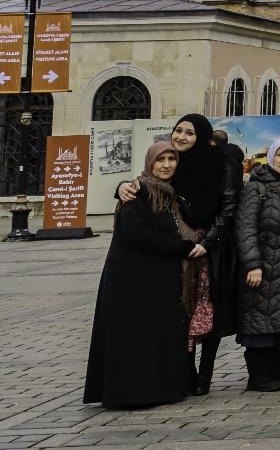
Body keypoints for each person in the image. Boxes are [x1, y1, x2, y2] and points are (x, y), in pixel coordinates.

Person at [117, 113, 239, 395]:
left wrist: (208, 242)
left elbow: (229, 207)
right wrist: (120, 186)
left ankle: (205, 374)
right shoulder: (173, 162)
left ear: (202, 137)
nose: (181, 137)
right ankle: (186, 370)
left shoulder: (222, 164)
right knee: (182, 309)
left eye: (189, 133)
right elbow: (148, 183)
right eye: (178, 130)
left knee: (208, 310)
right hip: (178, 246)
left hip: (211, 248)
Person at [84, 141, 199, 408]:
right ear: (150, 163)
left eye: (172, 159)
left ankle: (160, 389)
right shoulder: (138, 192)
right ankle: (133, 394)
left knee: (153, 334)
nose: (166, 165)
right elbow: (138, 233)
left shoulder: (169, 192)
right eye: (161, 160)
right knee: (135, 334)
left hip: (155, 278)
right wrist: (181, 247)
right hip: (132, 280)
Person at [234, 138, 280, 392]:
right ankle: (258, 376)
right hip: (263, 267)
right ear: (271, 157)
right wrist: (252, 263)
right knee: (259, 324)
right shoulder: (256, 187)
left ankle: (277, 370)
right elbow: (245, 228)